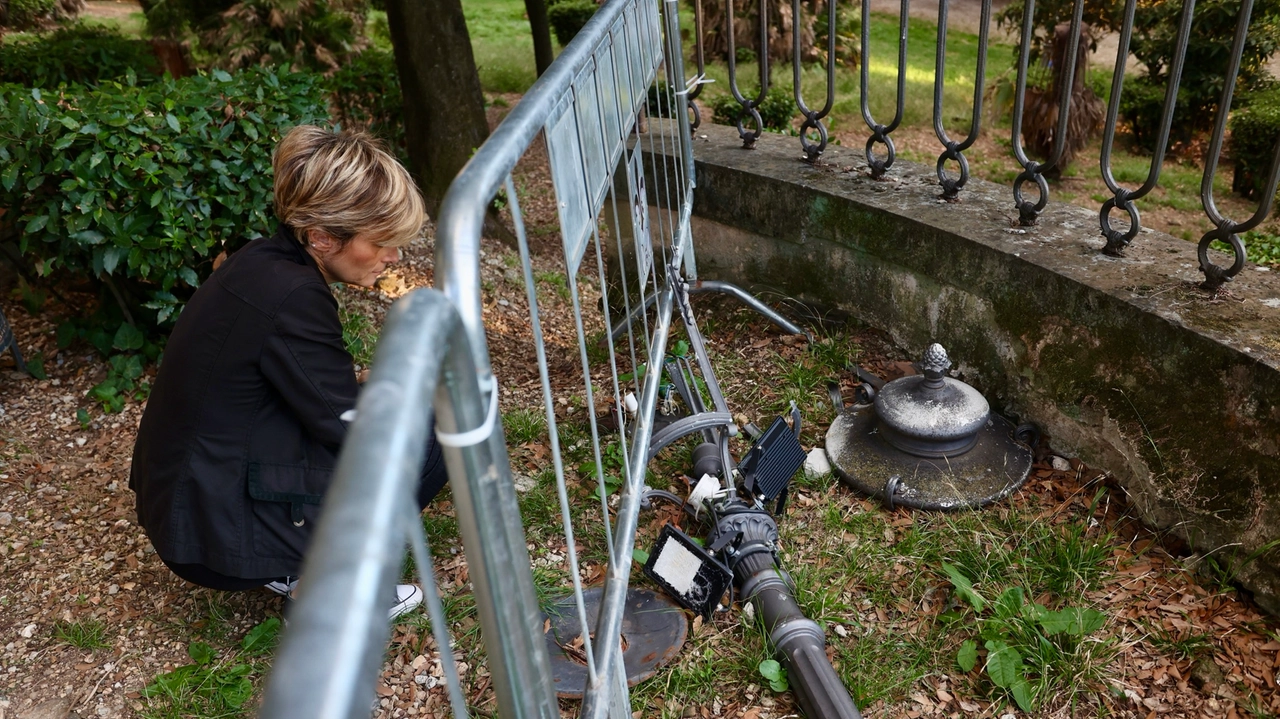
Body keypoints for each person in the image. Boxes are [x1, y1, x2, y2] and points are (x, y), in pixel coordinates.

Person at [130, 126, 447, 619]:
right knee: (434, 428)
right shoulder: (294, 295)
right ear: (321, 237)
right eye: (382, 241)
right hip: (212, 537)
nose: (394, 257)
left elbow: (311, 393)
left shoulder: (260, 262)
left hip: (185, 506)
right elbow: (346, 425)